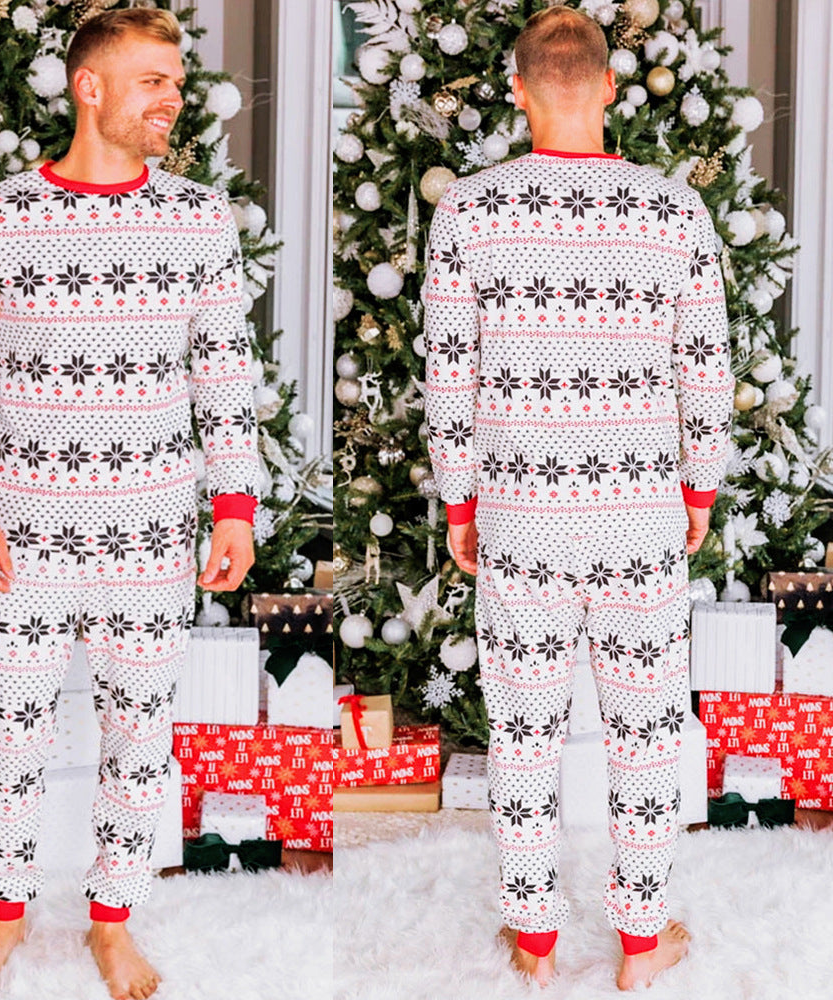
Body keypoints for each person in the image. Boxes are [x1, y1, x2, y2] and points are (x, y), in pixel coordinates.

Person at [0, 9, 259, 999]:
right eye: (154, 81)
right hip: (20, 533)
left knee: (137, 734)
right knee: (10, 732)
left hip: (149, 530)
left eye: (177, 83)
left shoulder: (199, 218)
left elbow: (224, 373)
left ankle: (112, 922)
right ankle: (5, 917)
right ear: (90, 87)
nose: (174, 99)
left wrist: (234, 505)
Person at [423, 5, 732, 991]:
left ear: (517, 91)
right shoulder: (672, 212)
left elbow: (448, 376)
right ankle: (640, 945)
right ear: (608, 85)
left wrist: (461, 505)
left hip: (522, 521)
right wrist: (698, 487)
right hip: (638, 518)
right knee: (646, 735)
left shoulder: (468, 212)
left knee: (524, 735)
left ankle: (535, 941)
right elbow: (705, 368)